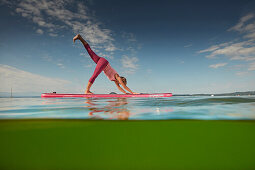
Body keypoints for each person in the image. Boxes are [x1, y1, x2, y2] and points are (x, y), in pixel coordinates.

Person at [73, 34, 139, 94]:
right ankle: (87, 90)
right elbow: (124, 86)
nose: (121, 83)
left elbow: (119, 88)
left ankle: (80, 37)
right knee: (95, 75)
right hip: (104, 63)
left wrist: (125, 93)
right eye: (122, 82)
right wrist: (132, 92)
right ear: (122, 81)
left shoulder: (116, 80)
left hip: (102, 61)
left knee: (90, 51)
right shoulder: (118, 77)